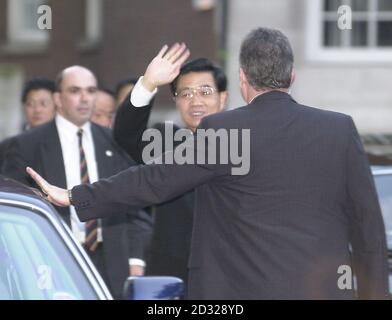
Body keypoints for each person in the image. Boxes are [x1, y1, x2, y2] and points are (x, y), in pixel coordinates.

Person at [27, 29, 389, 300]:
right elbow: (368, 226)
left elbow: (152, 180)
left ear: (243, 81)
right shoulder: (339, 129)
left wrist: (75, 195)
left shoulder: (223, 130)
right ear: (292, 78)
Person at [3, 66, 152, 299]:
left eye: (90, 91)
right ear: (58, 98)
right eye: (75, 90)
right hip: (50, 263)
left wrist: (135, 259)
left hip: (111, 262)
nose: (84, 98)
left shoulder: (114, 142)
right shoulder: (26, 146)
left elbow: (133, 201)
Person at [113, 53, 227, 286]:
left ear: (222, 98)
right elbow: (125, 134)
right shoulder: (164, 141)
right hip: (170, 277)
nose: (195, 101)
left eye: (205, 92)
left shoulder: (243, 145)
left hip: (226, 277)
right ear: (176, 100)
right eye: (186, 94)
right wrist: (148, 83)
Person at [0, 77, 56, 173]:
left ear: (57, 106)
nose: (37, 110)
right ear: (23, 107)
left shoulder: (66, 143)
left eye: (44, 104)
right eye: (31, 104)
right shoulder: (8, 146)